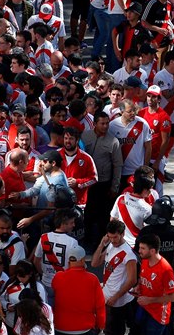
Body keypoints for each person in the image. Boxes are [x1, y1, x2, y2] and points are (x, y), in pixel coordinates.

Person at [136, 196, 174, 335]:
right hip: (165, 279)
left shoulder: (146, 232)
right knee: (167, 311)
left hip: (147, 278)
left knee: (144, 308)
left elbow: (136, 253)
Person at [90, 220, 138, 335]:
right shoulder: (110, 245)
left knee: (112, 334)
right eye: (110, 237)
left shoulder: (128, 254)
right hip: (108, 297)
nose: (112, 240)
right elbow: (94, 263)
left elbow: (132, 280)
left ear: (122, 234)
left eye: (115, 237)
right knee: (115, 334)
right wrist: (101, 244)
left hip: (116, 301)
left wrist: (116, 297)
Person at [81, 111, 123, 243]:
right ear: (94, 124)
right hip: (86, 183)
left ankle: (101, 242)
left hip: (103, 184)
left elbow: (118, 165)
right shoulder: (84, 137)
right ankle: (86, 239)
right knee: (87, 214)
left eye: (107, 123)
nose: (105, 126)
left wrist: (115, 186)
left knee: (102, 216)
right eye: (102, 123)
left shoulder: (113, 142)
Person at [53, 245, 106, 335]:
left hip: (60, 329)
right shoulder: (92, 279)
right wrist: (101, 325)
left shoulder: (58, 277)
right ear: (82, 261)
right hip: (84, 331)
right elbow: (100, 305)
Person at [135, 233, 174, 335]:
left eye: (143, 248)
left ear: (153, 251)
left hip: (158, 313)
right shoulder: (145, 260)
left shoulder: (165, 270)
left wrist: (149, 300)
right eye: (140, 247)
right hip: (145, 308)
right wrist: (139, 286)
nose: (139, 251)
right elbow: (142, 277)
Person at [33, 208, 80, 306]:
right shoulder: (73, 242)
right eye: (71, 223)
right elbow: (75, 268)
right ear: (63, 224)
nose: (74, 225)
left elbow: (36, 261)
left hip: (45, 283)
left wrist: (45, 274)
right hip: (63, 285)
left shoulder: (43, 237)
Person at [108, 99, 153, 191]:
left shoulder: (142, 124)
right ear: (121, 112)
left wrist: (145, 167)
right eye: (129, 111)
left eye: (134, 110)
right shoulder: (112, 126)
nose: (133, 113)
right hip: (118, 171)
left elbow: (148, 147)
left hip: (136, 172)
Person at [138, 85, 172, 194]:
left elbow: (165, 141)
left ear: (159, 99)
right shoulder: (141, 113)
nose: (150, 99)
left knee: (156, 189)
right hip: (142, 156)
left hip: (155, 158)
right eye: (148, 96)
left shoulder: (163, 117)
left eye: (154, 97)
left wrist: (158, 161)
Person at [58, 127, 98, 206]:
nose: (67, 141)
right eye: (66, 138)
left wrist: (77, 182)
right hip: (58, 202)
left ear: (77, 140)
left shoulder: (86, 158)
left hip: (78, 203)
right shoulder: (56, 155)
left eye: (71, 139)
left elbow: (94, 178)